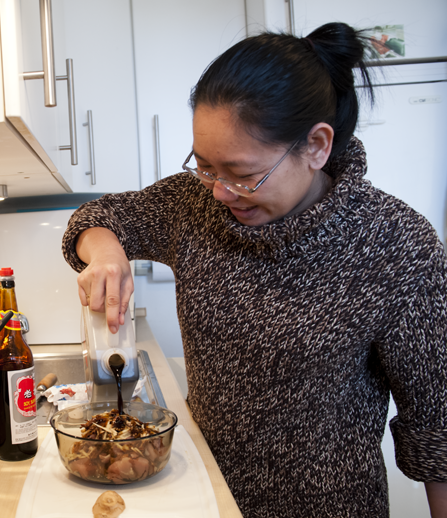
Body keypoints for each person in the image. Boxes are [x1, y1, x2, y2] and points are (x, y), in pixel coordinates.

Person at [62, 22, 447, 517]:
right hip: (205, 498)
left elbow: (436, 427)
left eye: (243, 175)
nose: (220, 192)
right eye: (204, 167)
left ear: (317, 146)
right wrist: (110, 253)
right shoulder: (195, 206)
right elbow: (94, 220)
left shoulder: (396, 245)